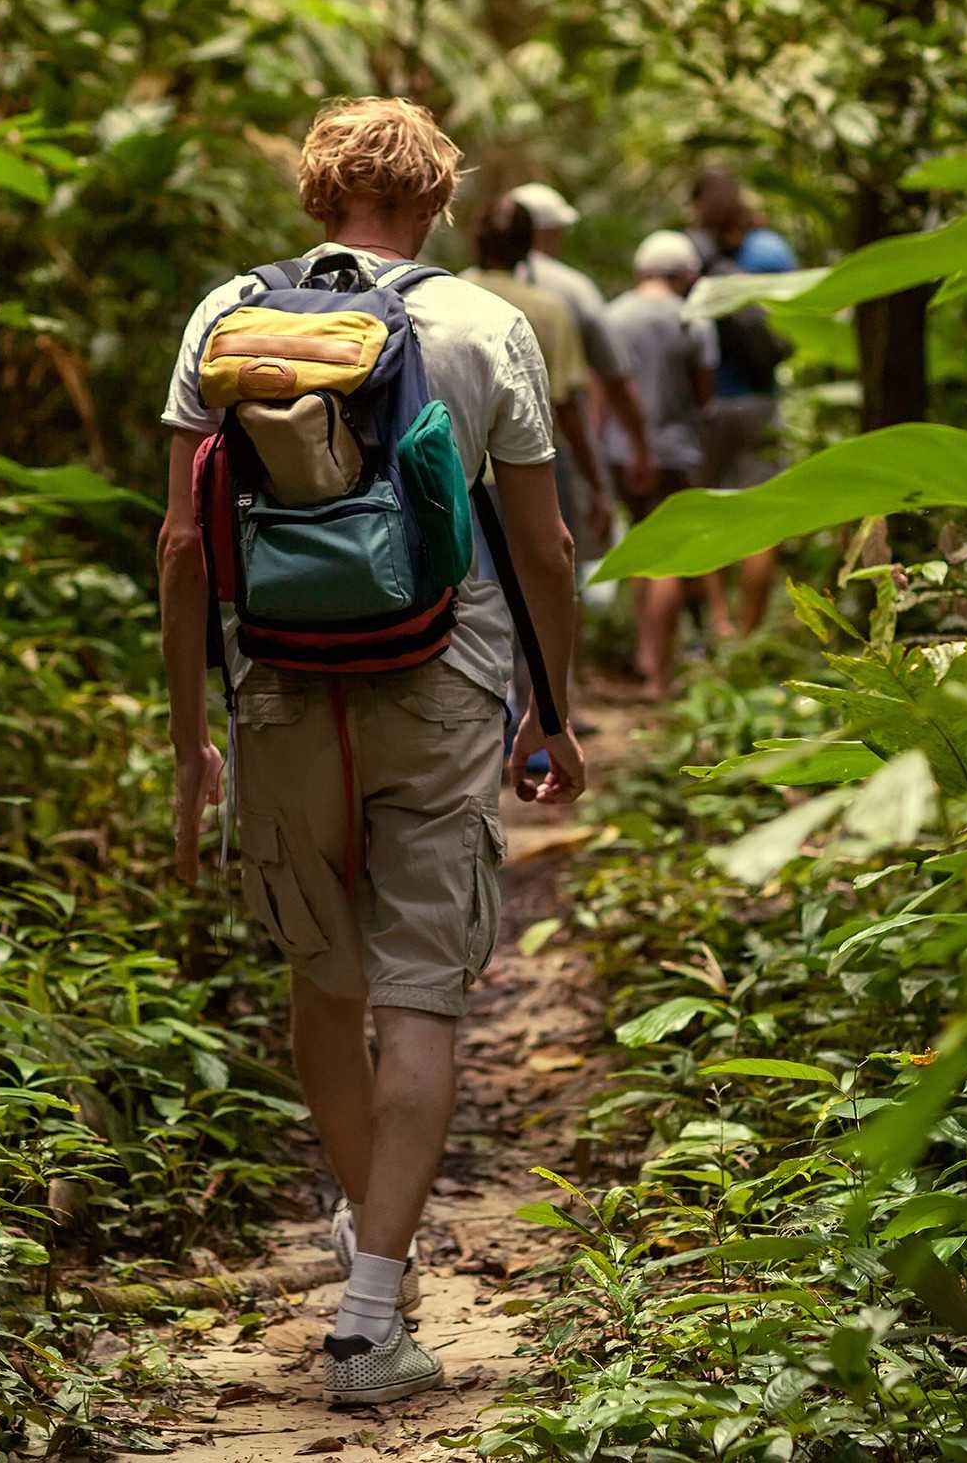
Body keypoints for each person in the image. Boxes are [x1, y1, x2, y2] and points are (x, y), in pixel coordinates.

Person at [156, 96, 587, 1407]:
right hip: (443, 688)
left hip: (283, 691)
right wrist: (551, 710)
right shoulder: (483, 324)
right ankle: (372, 1309)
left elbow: (183, 547)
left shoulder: (226, 317)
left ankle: (364, 1254)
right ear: (438, 198)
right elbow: (546, 548)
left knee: (323, 978)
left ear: (314, 194)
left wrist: (191, 744)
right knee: (420, 990)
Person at [459, 195, 614, 555]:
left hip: (461, 472)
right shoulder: (548, 310)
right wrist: (595, 483)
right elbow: (567, 406)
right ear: (528, 246)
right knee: (547, 585)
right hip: (535, 473)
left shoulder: (447, 297)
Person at [599, 230, 716, 698]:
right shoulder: (693, 319)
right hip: (674, 449)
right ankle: (661, 675)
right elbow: (704, 394)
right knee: (667, 555)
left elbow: (601, 390)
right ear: (684, 274)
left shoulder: (613, 316)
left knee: (639, 544)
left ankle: (646, 657)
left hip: (619, 450)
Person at [509, 181, 656, 530]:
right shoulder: (573, 289)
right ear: (548, 232)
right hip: (557, 447)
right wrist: (639, 444)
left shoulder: (472, 281)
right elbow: (614, 377)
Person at [688, 166, 788, 637]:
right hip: (760, 401)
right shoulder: (770, 250)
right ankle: (747, 634)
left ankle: (720, 622)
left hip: (710, 404)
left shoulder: (692, 252)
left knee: (709, 513)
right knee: (760, 520)